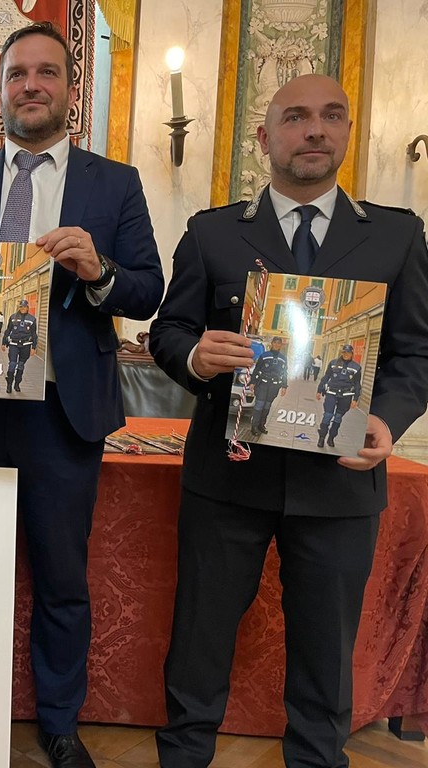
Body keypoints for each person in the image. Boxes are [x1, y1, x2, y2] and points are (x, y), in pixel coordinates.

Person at [148, 74, 428, 768]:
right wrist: (195, 355)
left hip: (340, 482)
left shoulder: (396, 235)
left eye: (332, 116)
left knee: (326, 654)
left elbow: (415, 351)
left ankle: (317, 760)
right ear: (265, 136)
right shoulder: (213, 233)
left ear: (348, 132)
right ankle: (184, 756)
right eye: (297, 117)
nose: (315, 130)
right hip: (228, 479)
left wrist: (387, 419)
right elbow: (170, 329)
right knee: (200, 640)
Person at [0, 21, 163, 768]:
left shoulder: (114, 183)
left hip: (64, 415)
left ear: (70, 89)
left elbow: (148, 290)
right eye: (17, 73)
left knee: (61, 580)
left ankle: (58, 723)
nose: (31, 85)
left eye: (46, 72)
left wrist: (100, 272)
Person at [316, 343, 362, 448]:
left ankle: (331, 437)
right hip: (332, 393)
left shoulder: (356, 367)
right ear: (342, 353)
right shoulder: (333, 363)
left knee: (338, 417)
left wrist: (355, 399)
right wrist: (319, 390)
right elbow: (326, 377)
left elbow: (357, 384)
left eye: (348, 353)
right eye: (344, 352)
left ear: (352, 354)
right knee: (328, 415)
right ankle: (322, 437)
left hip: (346, 395)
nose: (346, 354)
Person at [248, 335, 288, 435]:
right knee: (259, 405)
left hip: (274, 386)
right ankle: (254, 427)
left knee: (267, 406)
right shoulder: (264, 355)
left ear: (281, 345)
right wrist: (252, 382)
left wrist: (284, 386)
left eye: (279, 343)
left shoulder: (283, 358)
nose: (276, 344)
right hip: (263, 384)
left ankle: (261, 425)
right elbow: (256, 369)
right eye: (275, 342)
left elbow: (284, 373)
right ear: (272, 343)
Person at [1, 298, 39, 393]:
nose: (22, 308)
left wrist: (34, 347)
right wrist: (3, 342)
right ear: (19, 307)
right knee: (12, 364)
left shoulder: (32, 319)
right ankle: (9, 384)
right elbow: (8, 330)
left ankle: (17, 384)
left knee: (21, 365)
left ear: (27, 307)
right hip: (14, 344)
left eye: (24, 307)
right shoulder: (13, 317)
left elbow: (34, 334)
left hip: (26, 345)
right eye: (21, 306)